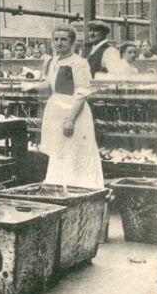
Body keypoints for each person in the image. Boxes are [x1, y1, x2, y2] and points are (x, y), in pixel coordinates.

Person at [22, 25, 103, 189]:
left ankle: (79, 189)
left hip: (73, 111)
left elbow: (82, 92)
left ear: (72, 41)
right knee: (58, 151)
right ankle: (58, 187)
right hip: (56, 110)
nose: (59, 43)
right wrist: (31, 87)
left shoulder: (78, 63)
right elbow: (50, 84)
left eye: (63, 39)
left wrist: (70, 120)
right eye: (56, 39)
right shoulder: (54, 61)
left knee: (74, 152)